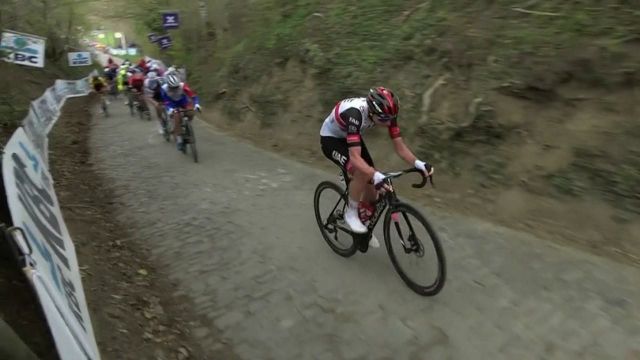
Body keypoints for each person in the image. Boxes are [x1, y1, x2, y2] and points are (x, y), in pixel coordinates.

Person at [319, 87, 434, 248]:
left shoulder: (387, 113)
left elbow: (399, 147)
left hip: (352, 136)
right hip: (331, 139)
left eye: (391, 118)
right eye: (385, 119)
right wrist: (371, 174)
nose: (389, 122)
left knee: (372, 191)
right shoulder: (355, 115)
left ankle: (364, 226)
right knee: (362, 172)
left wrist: (418, 163)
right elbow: (355, 157)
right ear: (372, 113)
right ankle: (351, 213)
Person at [161, 74, 201, 151]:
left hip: (183, 101)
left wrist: (197, 104)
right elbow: (165, 102)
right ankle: (179, 138)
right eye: (173, 88)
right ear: (169, 86)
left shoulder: (182, 85)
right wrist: (170, 109)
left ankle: (187, 126)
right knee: (176, 116)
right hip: (172, 103)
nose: (175, 89)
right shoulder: (164, 89)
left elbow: (193, 95)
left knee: (190, 112)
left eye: (176, 87)